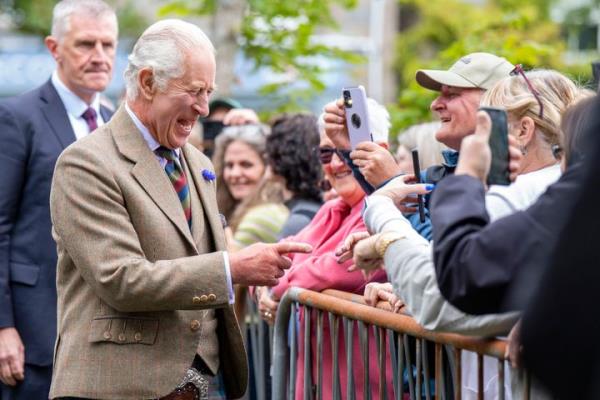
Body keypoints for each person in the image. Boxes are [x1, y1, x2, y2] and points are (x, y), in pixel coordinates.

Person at [48, 19, 311, 399]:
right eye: (194, 91)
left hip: (207, 384)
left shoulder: (197, 161)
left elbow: (192, 256)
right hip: (122, 388)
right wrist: (232, 269)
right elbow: (120, 279)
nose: (204, 108)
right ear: (148, 82)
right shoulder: (86, 163)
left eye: (209, 92)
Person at [339, 69, 587, 399]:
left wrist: (383, 215)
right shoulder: (559, 192)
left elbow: (446, 293)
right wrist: (402, 276)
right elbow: (475, 277)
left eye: (490, 126)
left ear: (524, 130)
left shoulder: (525, 194)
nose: (478, 139)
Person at [0, 1, 117, 398]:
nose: (99, 56)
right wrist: (3, 327)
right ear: (54, 48)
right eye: (86, 44)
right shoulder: (17, 118)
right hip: (34, 333)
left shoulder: (116, 123)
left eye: (108, 45)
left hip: (104, 334)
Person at [255, 100, 394, 400]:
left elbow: (337, 270)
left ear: (380, 150)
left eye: (346, 151)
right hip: (315, 384)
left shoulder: (389, 206)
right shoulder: (332, 209)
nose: (336, 163)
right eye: (326, 153)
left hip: (367, 387)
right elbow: (280, 255)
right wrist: (267, 286)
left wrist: (278, 287)